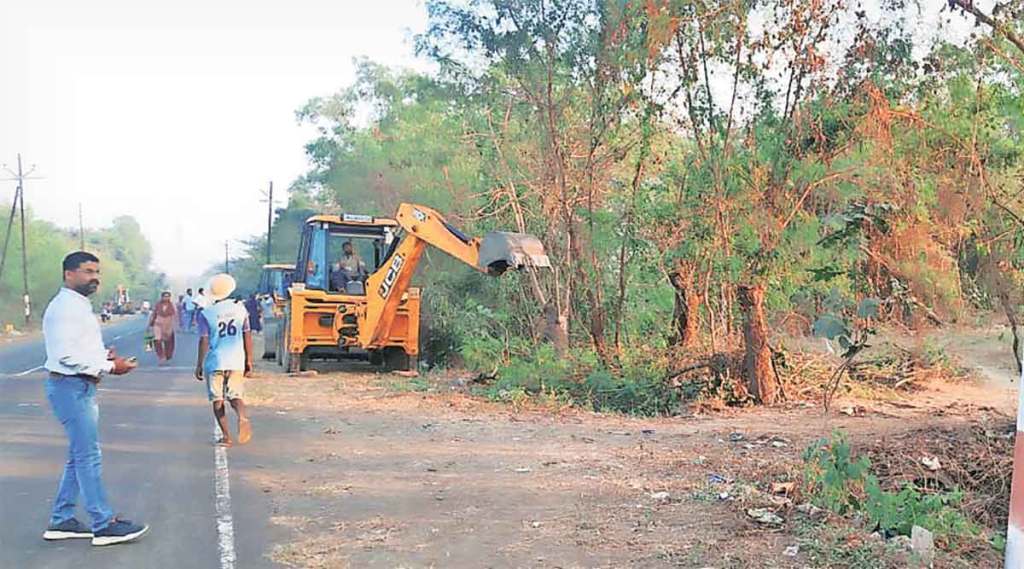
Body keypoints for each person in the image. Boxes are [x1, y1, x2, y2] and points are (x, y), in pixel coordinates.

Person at [41, 251, 149, 546]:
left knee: (79, 455)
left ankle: (62, 519)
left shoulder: (78, 306)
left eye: (96, 271)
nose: (94, 277)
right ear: (68, 274)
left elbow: (77, 350)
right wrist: (110, 367)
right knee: (88, 456)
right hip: (70, 387)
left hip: (79, 386)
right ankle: (103, 523)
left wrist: (104, 357)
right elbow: (65, 355)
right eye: (87, 271)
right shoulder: (65, 308)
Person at [195, 274, 254, 447]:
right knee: (235, 395)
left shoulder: (206, 314)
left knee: (217, 399)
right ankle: (242, 416)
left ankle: (226, 437)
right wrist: (249, 360)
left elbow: (204, 339)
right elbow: (247, 335)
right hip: (236, 359)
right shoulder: (240, 310)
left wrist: (199, 364)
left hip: (215, 361)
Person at [148, 291, 178, 365]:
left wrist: (175, 325)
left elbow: (175, 316)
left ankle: (167, 355)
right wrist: (150, 324)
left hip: (168, 324)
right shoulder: (158, 305)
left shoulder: (172, 306)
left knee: (168, 342)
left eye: (168, 296)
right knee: (157, 340)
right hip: (158, 324)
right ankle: (161, 356)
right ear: (162, 297)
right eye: (165, 296)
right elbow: (154, 314)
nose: (166, 298)